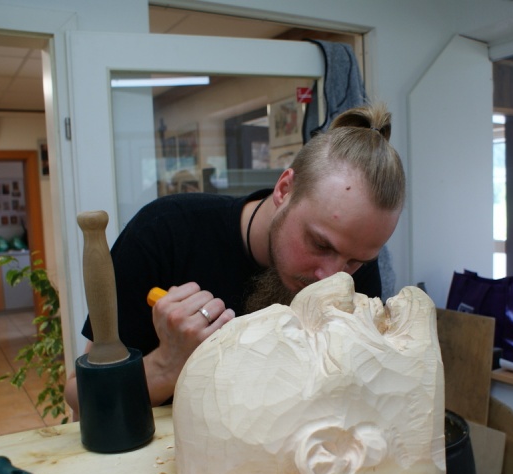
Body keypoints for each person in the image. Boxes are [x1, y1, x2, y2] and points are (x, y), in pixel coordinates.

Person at [65, 102, 406, 413]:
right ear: (284, 189)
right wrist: (167, 364)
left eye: (354, 262)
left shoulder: (354, 266)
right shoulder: (164, 233)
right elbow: (78, 395)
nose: (330, 278)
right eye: (320, 244)